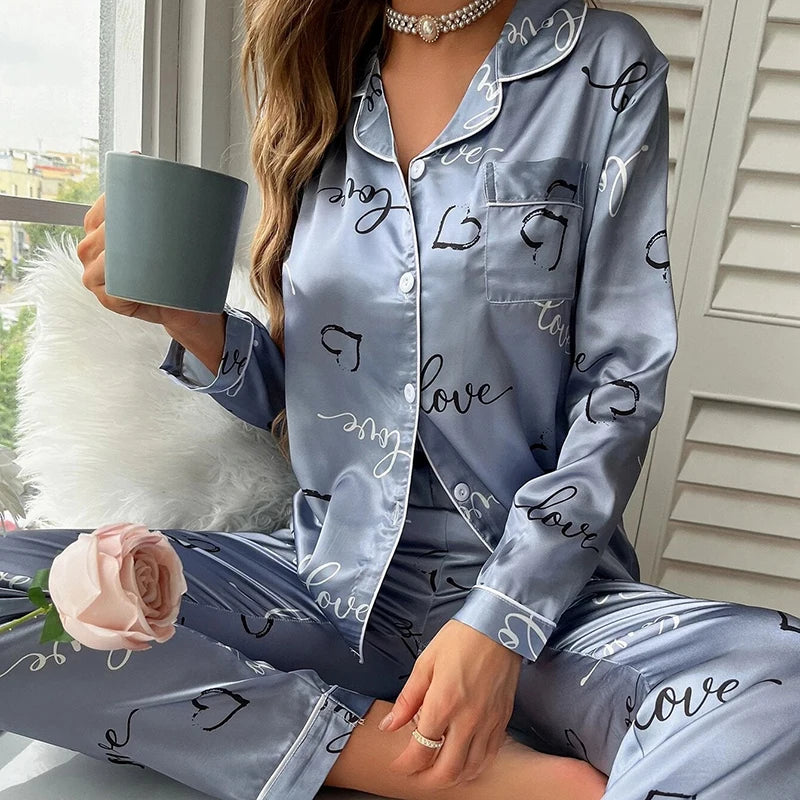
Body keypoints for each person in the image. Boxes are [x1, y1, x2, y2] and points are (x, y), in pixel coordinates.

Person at [1, 1, 798, 799]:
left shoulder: (600, 60)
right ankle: (391, 761)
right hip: (323, 582)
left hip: (540, 609)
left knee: (777, 681)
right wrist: (192, 324)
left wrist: (499, 622)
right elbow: (314, 396)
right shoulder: (321, 70)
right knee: (17, 586)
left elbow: (619, 386)